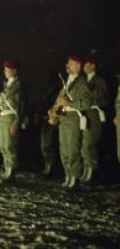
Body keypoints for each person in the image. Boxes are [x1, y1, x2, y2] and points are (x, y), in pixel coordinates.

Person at [50, 54, 91, 189]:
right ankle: (68, 175)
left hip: (74, 118)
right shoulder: (67, 82)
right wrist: (53, 110)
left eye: (71, 63)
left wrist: (69, 103)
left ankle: (74, 177)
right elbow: (59, 100)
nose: (67, 66)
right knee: (64, 149)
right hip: (64, 118)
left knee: (73, 149)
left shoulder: (81, 82)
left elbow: (86, 103)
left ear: (78, 66)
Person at [0, 60, 24, 182]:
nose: (5, 72)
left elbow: (21, 107)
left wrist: (16, 123)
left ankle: (11, 171)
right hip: (3, 117)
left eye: (7, 70)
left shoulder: (19, 86)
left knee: (10, 146)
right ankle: (6, 168)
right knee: (3, 145)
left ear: (14, 71)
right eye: (5, 70)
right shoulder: (7, 86)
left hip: (11, 117)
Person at [81, 56, 109, 182]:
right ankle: (86, 170)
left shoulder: (99, 81)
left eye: (87, 64)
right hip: (85, 114)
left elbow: (105, 99)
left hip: (93, 115)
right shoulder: (84, 80)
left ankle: (92, 172)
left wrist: (93, 103)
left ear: (93, 66)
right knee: (83, 144)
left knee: (89, 144)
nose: (84, 67)